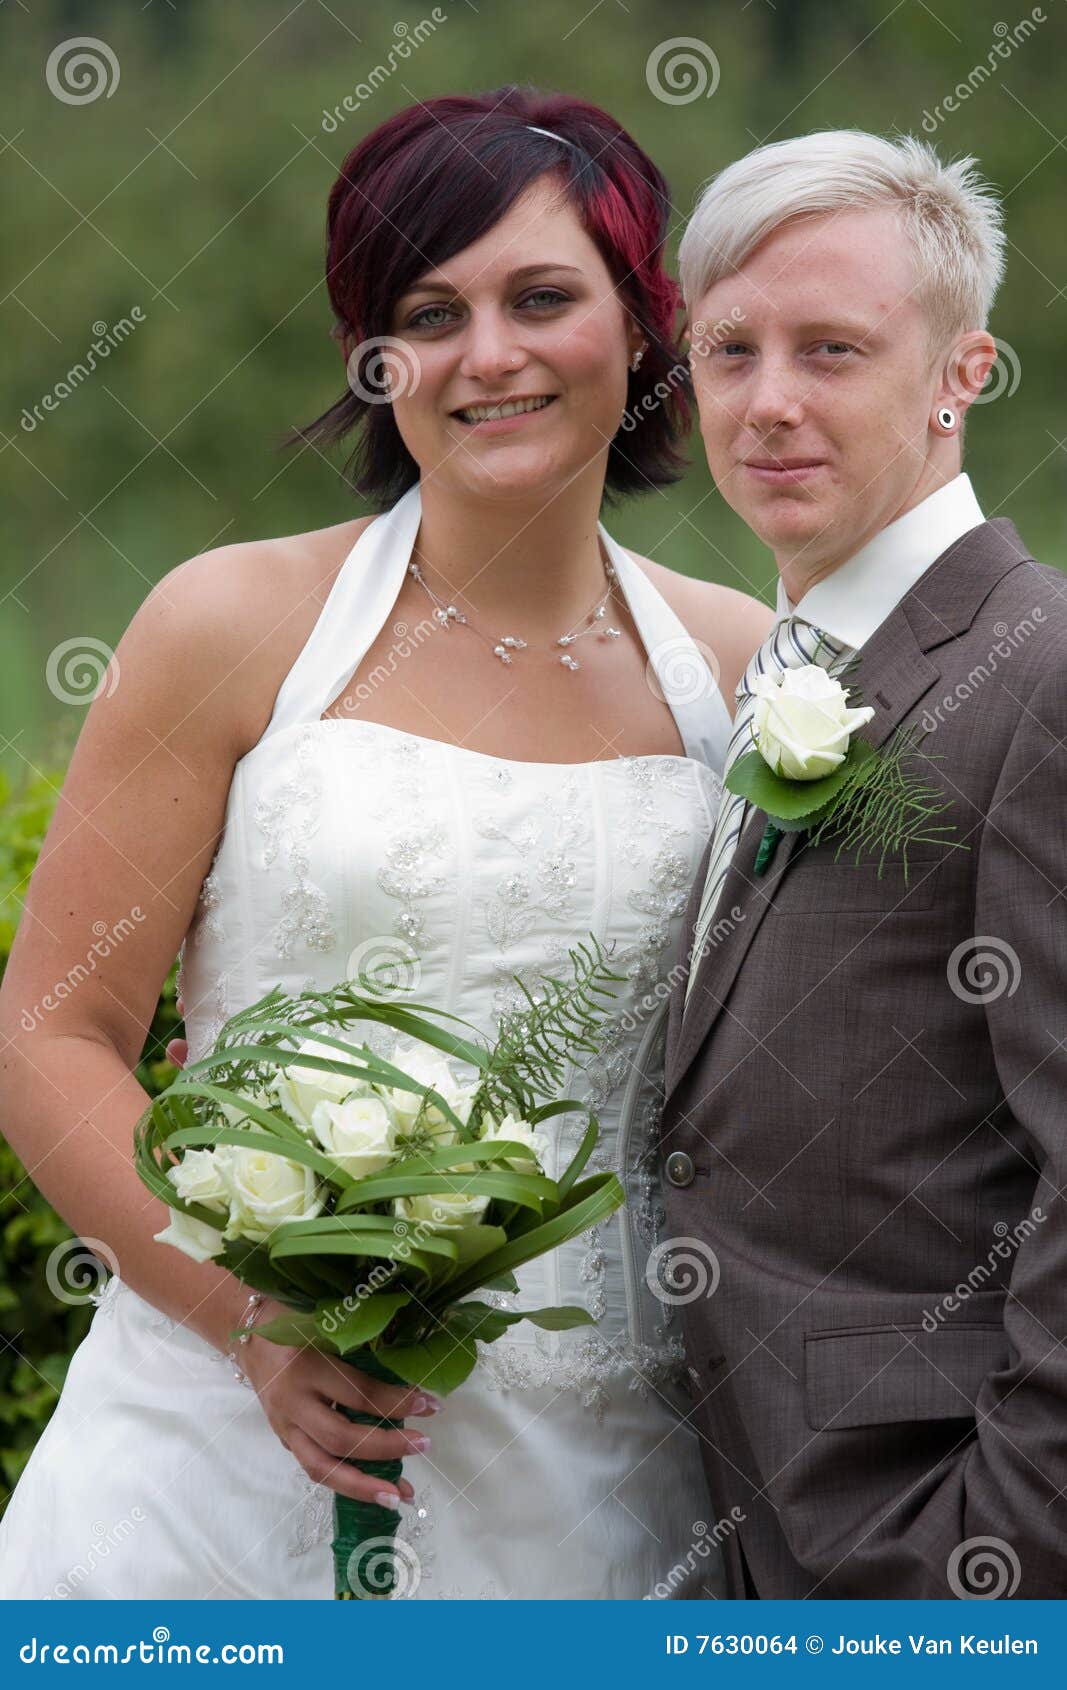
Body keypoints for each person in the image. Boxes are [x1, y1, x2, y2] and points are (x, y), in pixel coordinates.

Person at [0, 87, 771, 1599]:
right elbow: (49, 1032)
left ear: (642, 326)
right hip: (214, 1476)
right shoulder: (230, 626)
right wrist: (253, 1322)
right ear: (376, 356)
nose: (487, 354)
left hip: (610, 1493)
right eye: (429, 310)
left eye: (542, 297)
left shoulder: (752, 675)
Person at [661, 128, 1067, 1599]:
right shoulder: (773, 661)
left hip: (922, 1545)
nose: (769, 403)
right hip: (720, 1526)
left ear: (964, 370)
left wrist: (995, 1556)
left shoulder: (1041, 672)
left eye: (832, 349)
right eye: (730, 350)